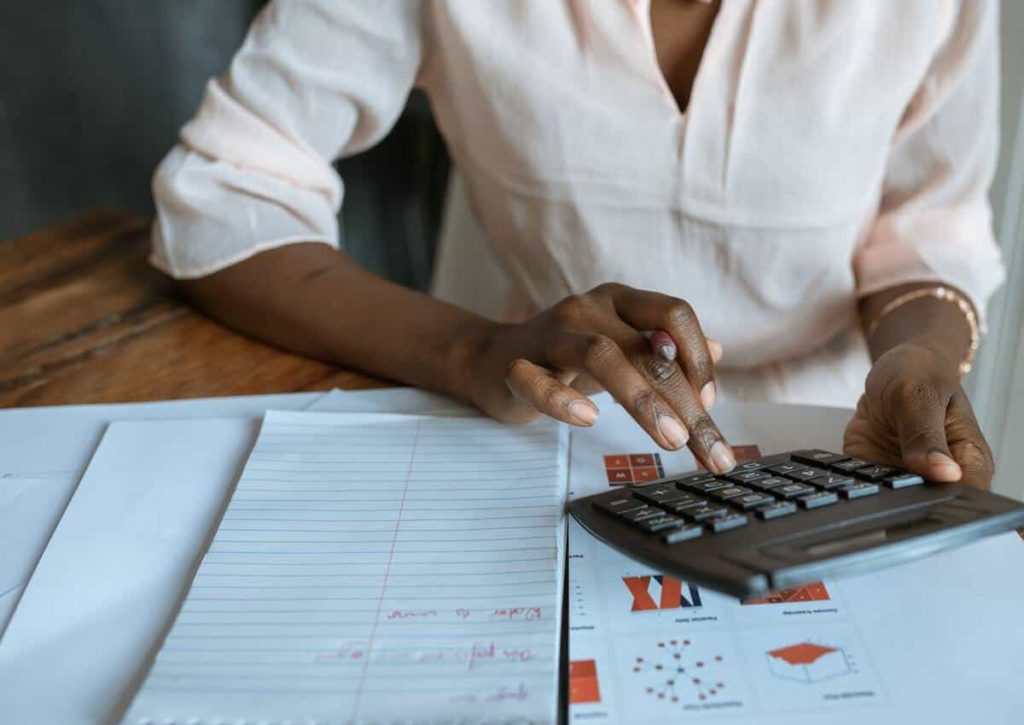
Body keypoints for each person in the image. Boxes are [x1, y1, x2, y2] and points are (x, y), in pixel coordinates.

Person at [152, 0, 1003, 487]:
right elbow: (224, 191)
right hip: (545, 427)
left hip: (839, 444)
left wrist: (920, 354)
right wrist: (472, 352)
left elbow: (929, 226)